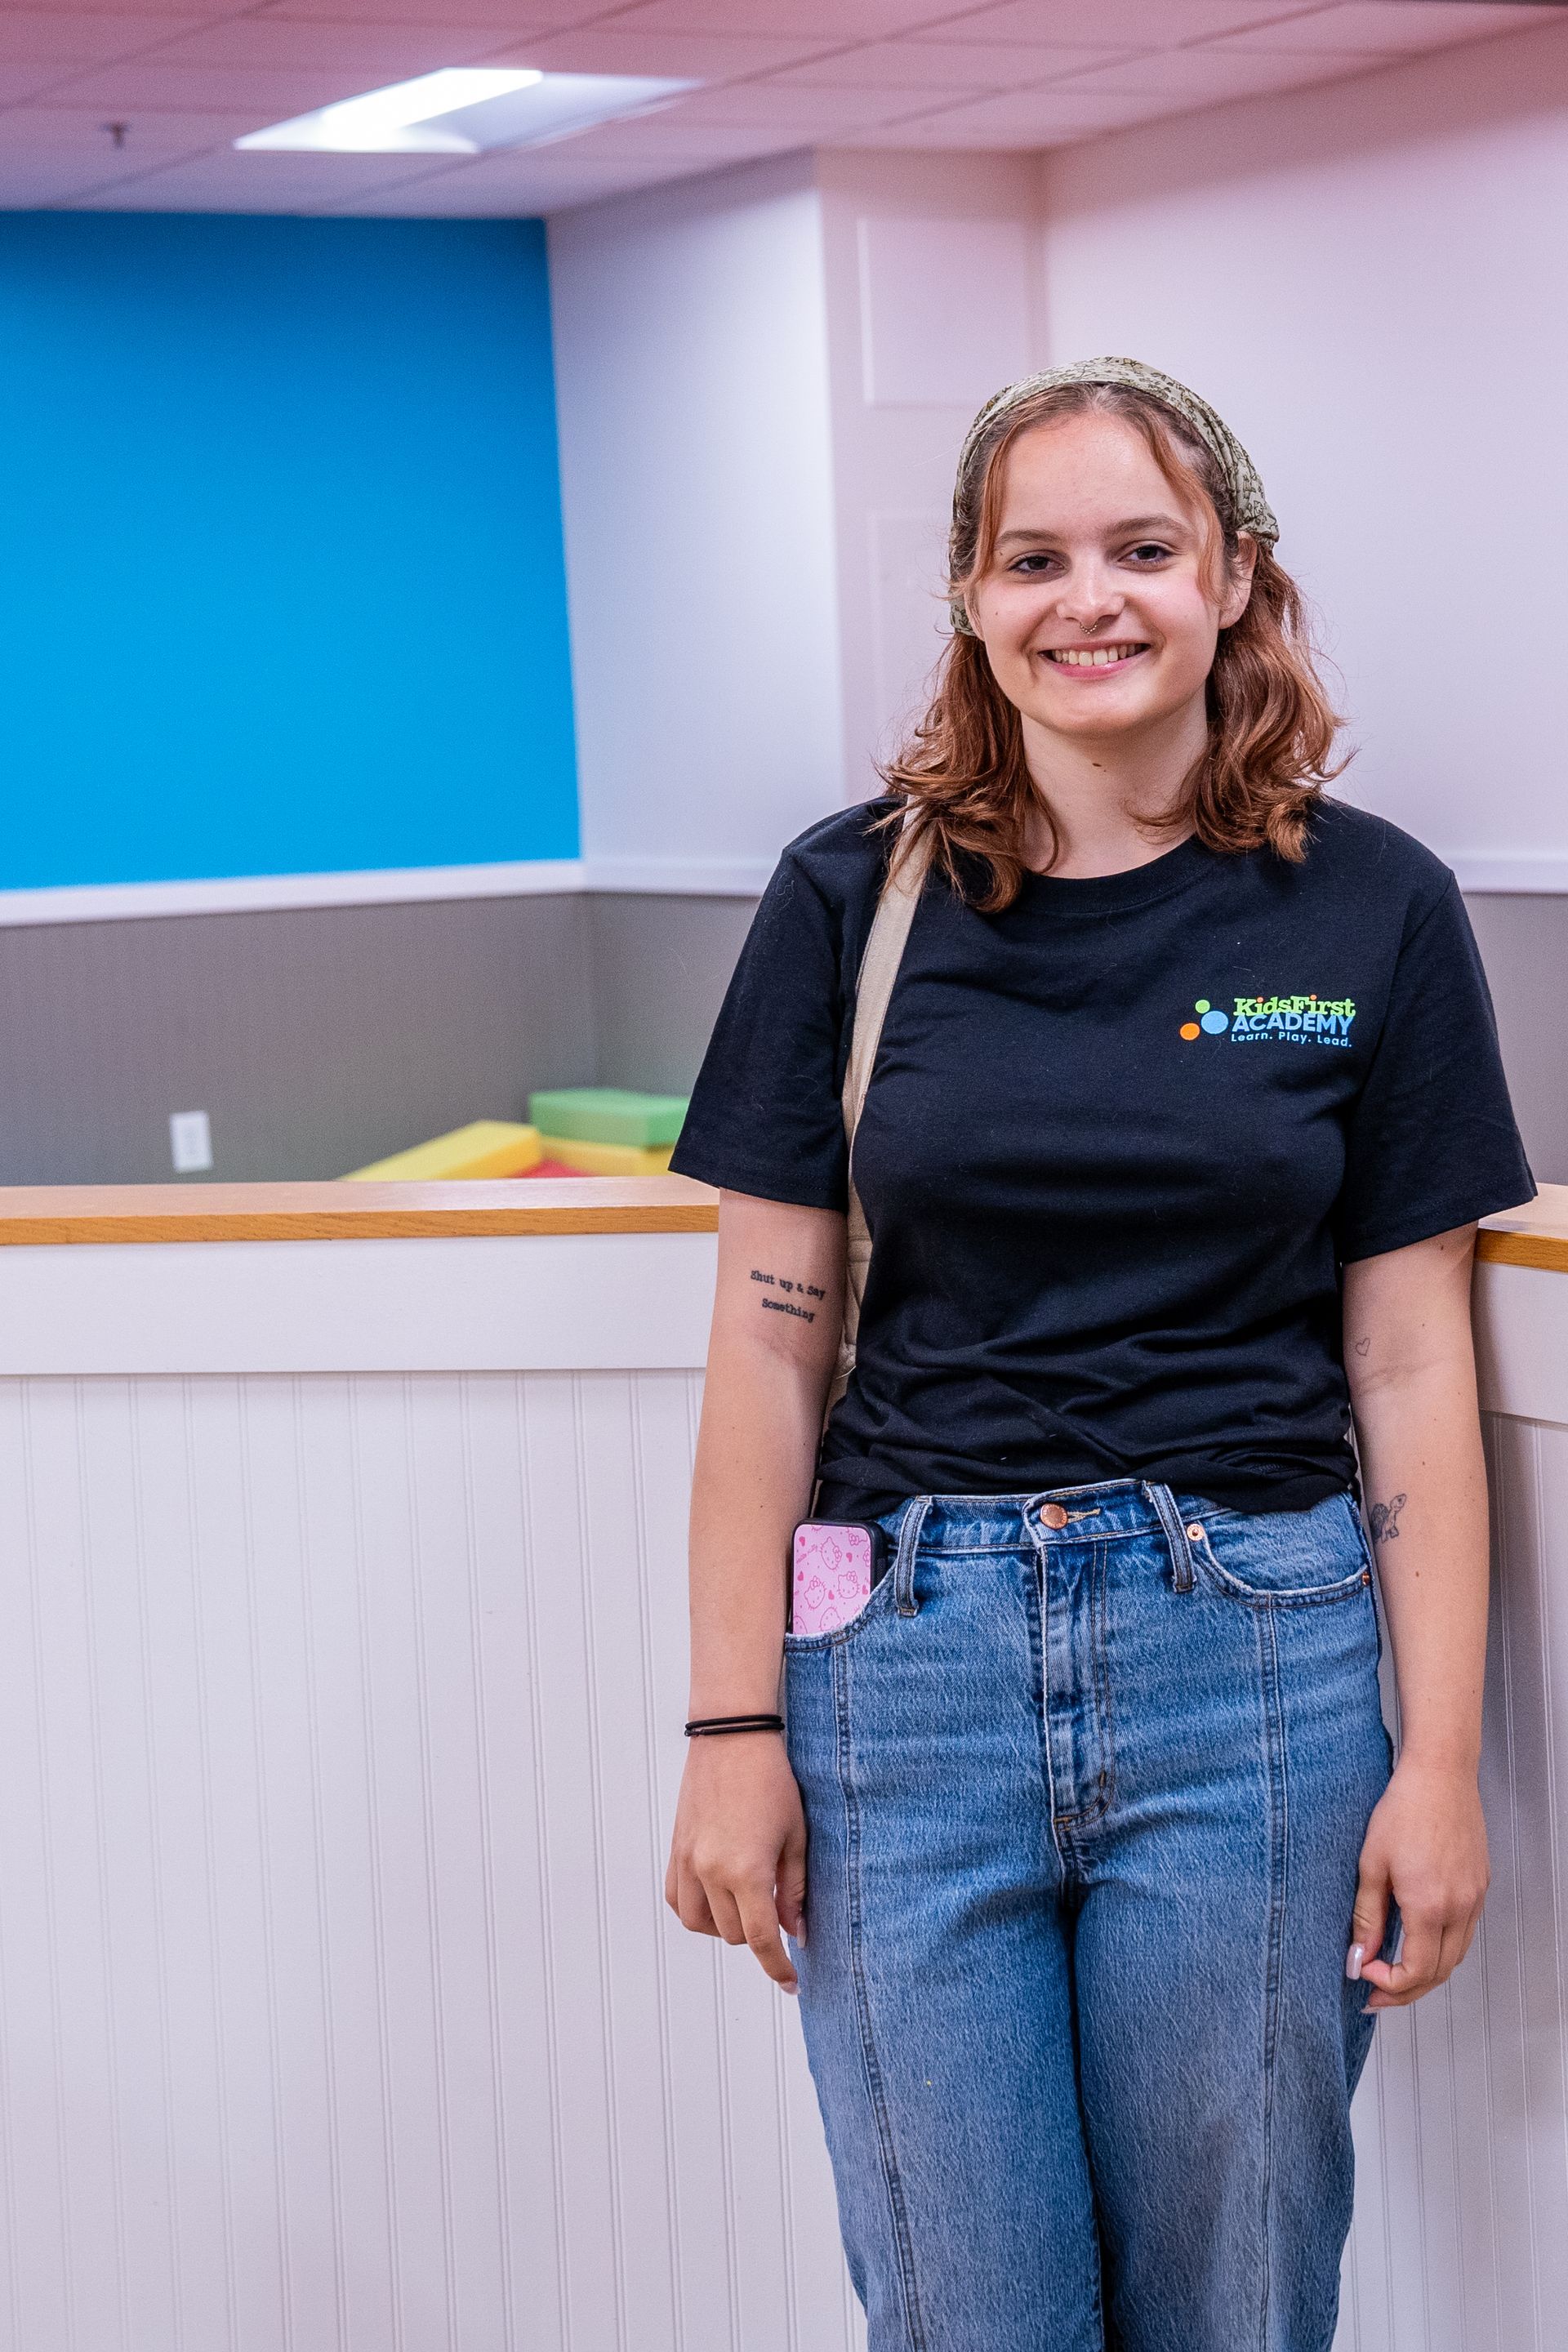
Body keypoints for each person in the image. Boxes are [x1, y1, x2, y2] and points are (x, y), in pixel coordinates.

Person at [664, 356, 1533, 2351]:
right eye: (1031, 556)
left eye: (1144, 548)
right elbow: (770, 1350)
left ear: (1235, 576)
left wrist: (1440, 1764)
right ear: (972, 600)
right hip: (899, 1678)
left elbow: (1411, 1367)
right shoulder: (847, 898)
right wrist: (728, 1733)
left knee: (1235, 2304)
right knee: (975, 2311)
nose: (1092, 599)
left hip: (1254, 1661)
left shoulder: (1373, 905)